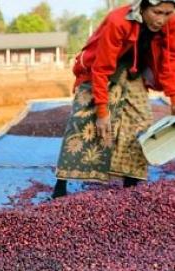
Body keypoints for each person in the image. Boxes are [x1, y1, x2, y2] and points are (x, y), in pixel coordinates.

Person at [52, 0, 175, 198]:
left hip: (135, 70)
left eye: (167, 13)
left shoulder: (170, 21)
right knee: (84, 120)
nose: (161, 19)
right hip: (101, 66)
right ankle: (60, 187)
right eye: (157, 12)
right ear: (143, 7)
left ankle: (132, 185)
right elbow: (100, 69)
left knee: (140, 121)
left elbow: (170, 60)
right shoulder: (118, 21)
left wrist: (174, 99)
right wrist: (102, 111)